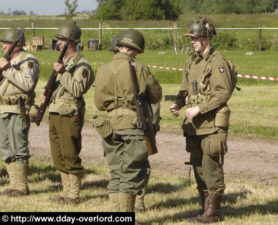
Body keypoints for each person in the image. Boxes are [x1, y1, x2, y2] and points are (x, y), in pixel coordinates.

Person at [170, 16, 234, 223]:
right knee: (198, 168)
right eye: (191, 38)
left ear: (206, 38)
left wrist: (200, 108)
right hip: (195, 126)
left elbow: (223, 93)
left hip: (213, 124)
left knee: (211, 167)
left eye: (196, 38)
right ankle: (204, 209)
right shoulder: (190, 61)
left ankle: (213, 212)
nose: (193, 41)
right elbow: (183, 89)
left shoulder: (218, 61)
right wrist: (178, 104)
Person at [94, 29, 162, 212]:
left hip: (110, 127)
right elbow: (156, 95)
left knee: (116, 173)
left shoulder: (103, 69)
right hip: (133, 125)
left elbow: (99, 103)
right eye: (138, 52)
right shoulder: (139, 68)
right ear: (133, 49)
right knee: (131, 175)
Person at [40, 22, 94, 204]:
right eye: (59, 39)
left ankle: (74, 194)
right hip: (56, 112)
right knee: (58, 154)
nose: (59, 43)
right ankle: (65, 192)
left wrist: (63, 73)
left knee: (70, 154)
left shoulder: (81, 65)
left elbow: (77, 90)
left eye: (63, 40)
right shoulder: (63, 63)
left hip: (70, 114)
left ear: (73, 42)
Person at [0, 28, 39, 197]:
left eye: (7, 43)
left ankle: (21, 186)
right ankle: (13, 184)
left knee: (19, 148)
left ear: (17, 45)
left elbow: (27, 84)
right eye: (3, 43)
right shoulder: (5, 60)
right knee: (6, 148)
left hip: (18, 109)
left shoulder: (28, 60)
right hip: (2, 108)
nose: (3, 46)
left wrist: (8, 68)